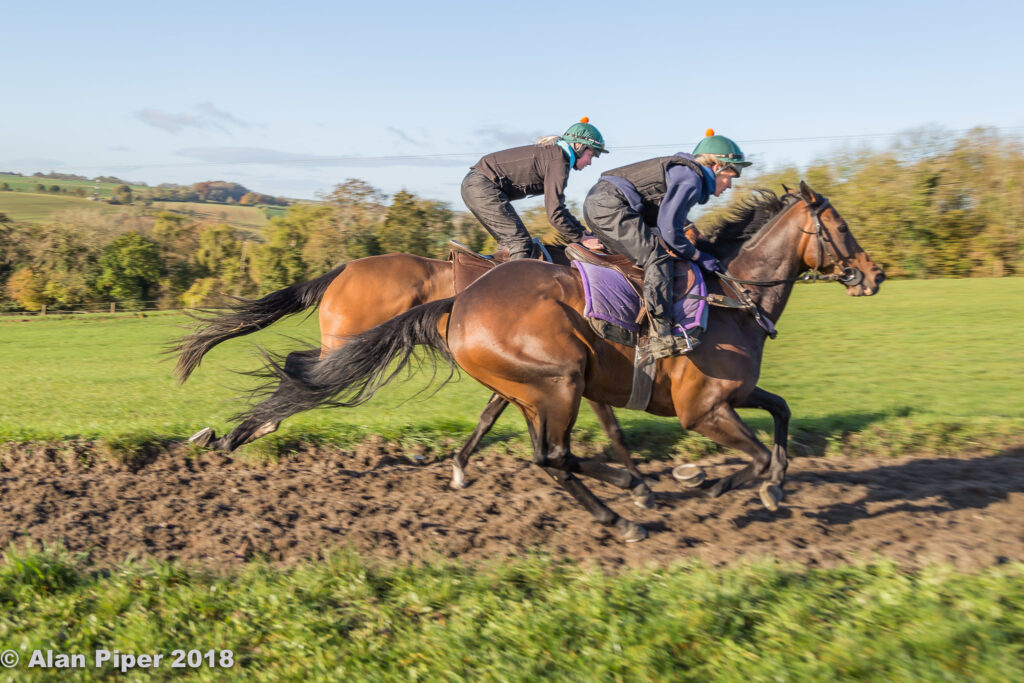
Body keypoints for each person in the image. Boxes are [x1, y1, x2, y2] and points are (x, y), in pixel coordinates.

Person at [583, 129, 751, 359]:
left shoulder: (686, 174)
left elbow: (667, 227)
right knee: (657, 258)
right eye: (730, 177)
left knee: (657, 253)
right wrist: (698, 256)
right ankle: (660, 336)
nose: (729, 185)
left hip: (603, 204)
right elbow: (670, 230)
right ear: (716, 167)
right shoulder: (690, 178)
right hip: (610, 206)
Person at [461, 118, 608, 260]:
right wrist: (581, 238)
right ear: (578, 146)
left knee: (509, 245)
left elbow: (559, 209)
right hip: (481, 186)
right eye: (591, 155)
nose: (589, 163)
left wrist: (583, 232)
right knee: (520, 243)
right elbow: (555, 213)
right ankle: (512, 285)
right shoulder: (558, 161)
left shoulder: (555, 156)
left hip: (476, 185)